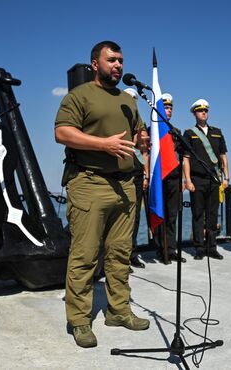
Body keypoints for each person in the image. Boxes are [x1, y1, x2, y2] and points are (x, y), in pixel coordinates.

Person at [54, 41, 150, 348]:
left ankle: (118, 311)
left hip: (125, 185)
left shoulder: (127, 100)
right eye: (112, 60)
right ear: (96, 64)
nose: (118, 65)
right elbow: (62, 133)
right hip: (89, 182)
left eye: (121, 60)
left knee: (120, 253)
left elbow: (136, 133)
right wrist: (103, 145)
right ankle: (80, 320)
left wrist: (142, 140)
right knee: (84, 255)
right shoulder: (79, 96)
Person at [183, 99, 229, 260]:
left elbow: (223, 156)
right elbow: (186, 158)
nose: (204, 113)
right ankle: (199, 248)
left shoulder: (217, 132)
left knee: (212, 215)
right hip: (197, 179)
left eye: (206, 110)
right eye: (200, 110)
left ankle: (212, 247)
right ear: (194, 113)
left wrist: (226, 177)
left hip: (214, 179)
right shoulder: (189, 134)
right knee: (197, 214)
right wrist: (187, 180)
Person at [154, 93, 185, 264]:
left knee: (172, 216)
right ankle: (161, 249)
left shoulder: (176, 132)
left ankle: (171, 249)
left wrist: (183, 179)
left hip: (174, 179)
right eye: (165, 107)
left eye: (170, 107)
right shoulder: (153, 131)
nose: (169, 110)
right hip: (159, 179)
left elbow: (181, 156)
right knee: (160, 215)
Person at [124, 88, 148, 270]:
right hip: (123, 172)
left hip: (138, 172)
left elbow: (144, 151)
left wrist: (146, 174)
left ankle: (132, 253)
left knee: (136, 217)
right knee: (123, 216)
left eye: (135, 99)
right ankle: (120, 256)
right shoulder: (119, 122)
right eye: (130, 99)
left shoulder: (141, 123)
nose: (133, 102)